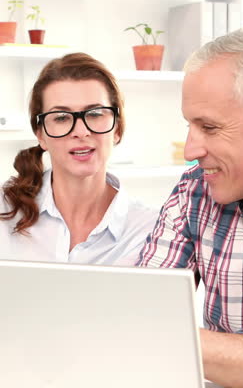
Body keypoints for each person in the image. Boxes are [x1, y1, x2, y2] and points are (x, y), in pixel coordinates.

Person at [137, 28, 243, 388]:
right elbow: (142, 304)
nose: (190, 149)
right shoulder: (196, 190)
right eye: (189, 126)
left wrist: (133, 328)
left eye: (209, 127)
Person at [0, 52, 158, 265]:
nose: (81, 131)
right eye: (62, 118)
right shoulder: (4, 211)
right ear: (41, 135)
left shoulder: (149, 230)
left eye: (94, 114)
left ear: (117, 129)